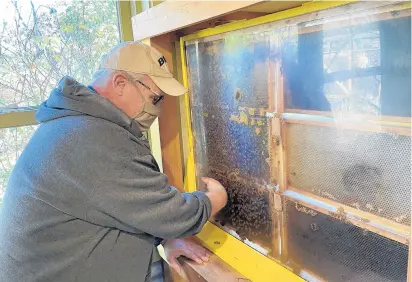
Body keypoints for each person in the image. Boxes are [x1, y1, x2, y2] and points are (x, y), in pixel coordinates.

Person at [0, 41, 228, 282]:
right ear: (120, 83)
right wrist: (214, 199)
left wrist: (165, 237)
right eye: (155, 98)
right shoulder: (94, 138)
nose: (157, 110)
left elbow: (119, 203)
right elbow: (176, 215)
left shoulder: (77, 122)